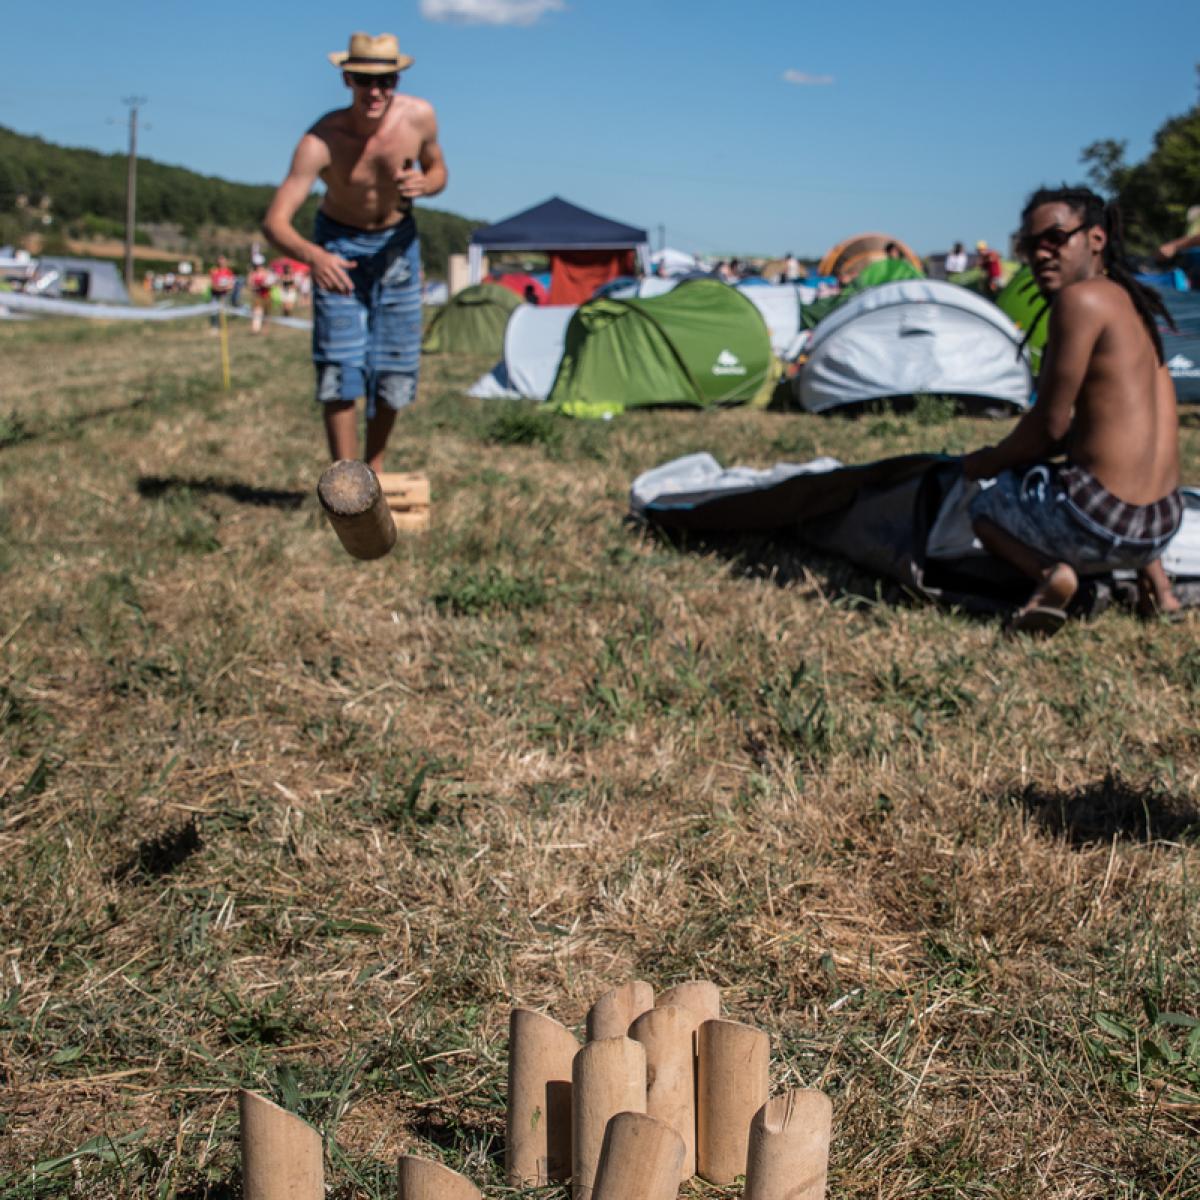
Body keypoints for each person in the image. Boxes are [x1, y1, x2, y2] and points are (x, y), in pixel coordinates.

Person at [963, 185, 1183, 634]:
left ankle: (1052, 575)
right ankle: (1161, 589)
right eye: (1029, 245)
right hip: (1163, 524)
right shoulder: (1136, 302)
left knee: (984, 505)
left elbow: (1047, 428)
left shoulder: (1079, 300)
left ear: (1096, 238)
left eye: (1055, 238)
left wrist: (986, 462)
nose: (1040, 254)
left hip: (1098, 526)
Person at [261, 31, 447, 473]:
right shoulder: (321, 140)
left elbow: (438, 169)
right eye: (364, 80)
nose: (375, 91)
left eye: (386, 81)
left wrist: (426, 183)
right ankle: (345, 481)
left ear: (397, 81)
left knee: (394, 366)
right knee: (339, 367)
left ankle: (373, 471)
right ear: (347, 79)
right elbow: (274, 222)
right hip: (338, 249)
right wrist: (315, 257)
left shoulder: (419, 117)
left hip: (398, 246)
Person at [248, 259, 275, 333]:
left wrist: (266, 285)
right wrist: (256, 286)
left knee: (267, 314)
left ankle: (265, 329)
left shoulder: (267, 273)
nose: (258, 266)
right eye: (257, 265)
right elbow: (250, 285)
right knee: (257, 312)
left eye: (260, 265)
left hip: (267, 296)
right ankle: (255, 329)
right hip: (257, 296)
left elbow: (272, 283)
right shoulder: (252, 274)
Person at [209, 255, 234, 331]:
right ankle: (214, 326)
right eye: (220, 261)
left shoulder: (229, 271)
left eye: (223, 261)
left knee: (225, 311)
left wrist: (225, 288)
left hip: (225, 294)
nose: (221, 262)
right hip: (215, 294)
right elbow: (213, 284)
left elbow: (231, 284)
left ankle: (224, 326)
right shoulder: (214, 271)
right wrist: (219, 288)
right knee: (214, 311)